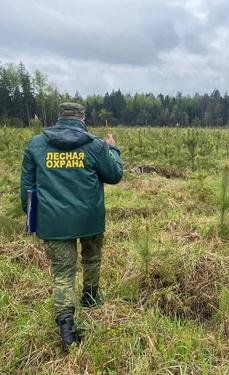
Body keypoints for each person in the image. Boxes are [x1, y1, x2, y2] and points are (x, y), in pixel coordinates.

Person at [20, 102, 123, 349]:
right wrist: (113, 149)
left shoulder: (36, 144)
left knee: (63, 272)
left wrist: (33, 217)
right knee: (90, 259)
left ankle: (66, 324)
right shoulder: (95, 144)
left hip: (53, 221)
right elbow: (115, 175)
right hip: (89, 218)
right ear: (82, 119)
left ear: (59, 118)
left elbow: (26, 188)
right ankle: (90, 297)